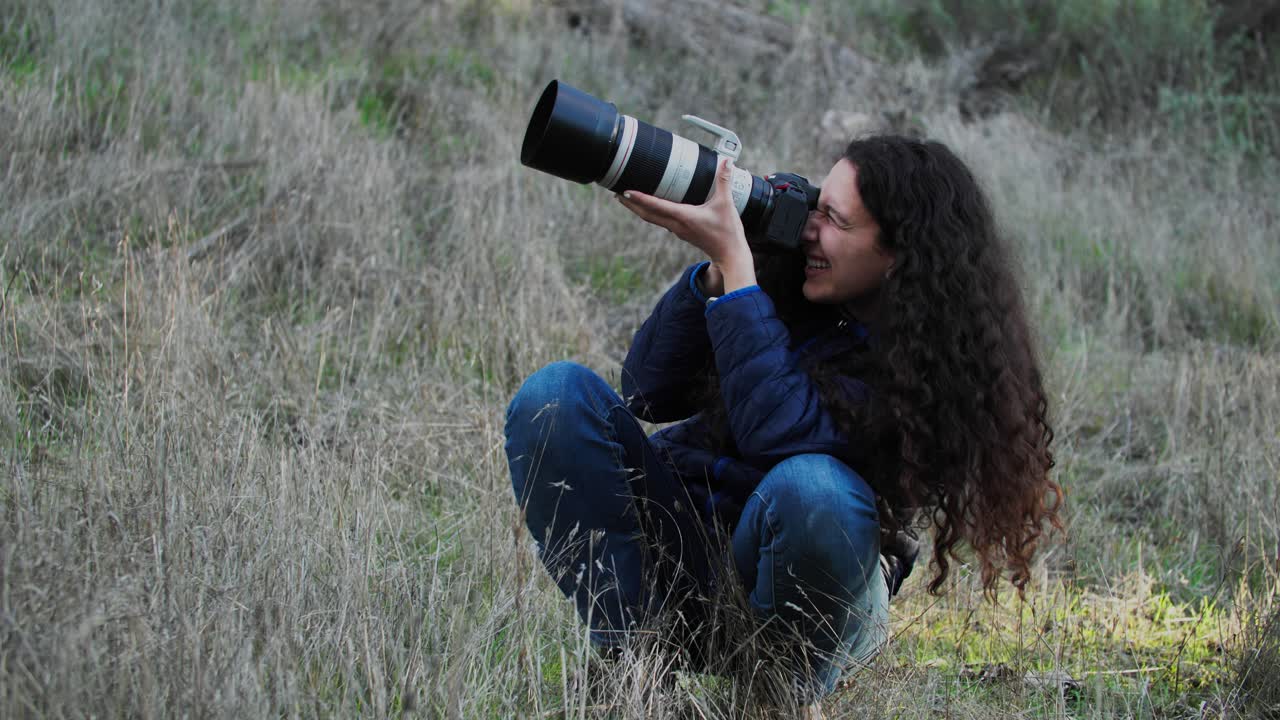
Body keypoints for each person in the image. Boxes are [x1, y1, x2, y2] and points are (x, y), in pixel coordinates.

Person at [503, 135, 1064, 708]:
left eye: (835, 221)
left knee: (816, 489)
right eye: (816, 208)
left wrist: (740, 279)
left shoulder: (931, 371)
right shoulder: (789, 290)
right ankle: (636, 669)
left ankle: (775, 694)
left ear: (898, 253)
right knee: (555, 397)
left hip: (803, 594)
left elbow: (785, 442)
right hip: (686, 552)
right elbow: (646, 393)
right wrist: (716, 279)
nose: (811, 232)